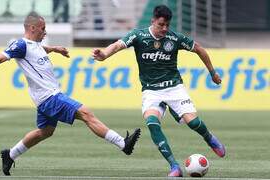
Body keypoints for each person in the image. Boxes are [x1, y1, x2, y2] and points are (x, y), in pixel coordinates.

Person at [0, 12, 141, 176]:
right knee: (86, 113)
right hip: (50, 97)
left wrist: (54, 49)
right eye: (42, 28)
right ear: (32, 28)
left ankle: (10, 155)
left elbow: (39, 49)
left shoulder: (34, 45)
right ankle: (123, 144)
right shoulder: (20, 45)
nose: (45, 32)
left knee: (45, 131)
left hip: (45, 98)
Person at [92, 5, 225, 177]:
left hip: (174, 88)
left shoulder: (174, 38)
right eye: (161, 24)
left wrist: (213, 73)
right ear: (153, 20)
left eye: (167, 25)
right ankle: (174, 166)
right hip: (151, 91)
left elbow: (199, 49)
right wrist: (103, 55)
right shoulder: (138, 36)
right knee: (152, 123)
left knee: (192, 122)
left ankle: (209, 138)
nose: (164, 29)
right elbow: (117, 45)